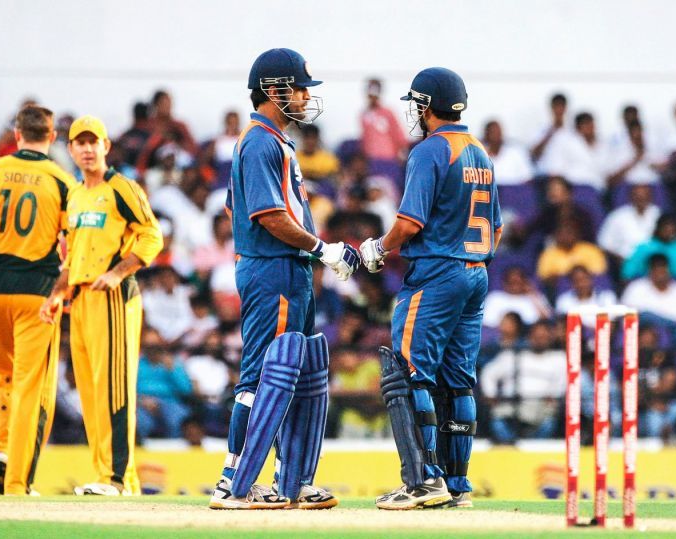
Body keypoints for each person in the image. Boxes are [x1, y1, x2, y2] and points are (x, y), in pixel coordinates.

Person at [209, 48, 359, 511]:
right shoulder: (259, 141)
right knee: (262, 375)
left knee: (293, 374)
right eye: (298, 88)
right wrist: (319, 247)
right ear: (274, 90)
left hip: (285, 268)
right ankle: (233, 479)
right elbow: (266, 213)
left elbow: (236, 207)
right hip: (273, 268)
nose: (304, 97)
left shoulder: (274, 140)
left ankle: (288, 481)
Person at [360, 67, 501, 510]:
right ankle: (457, 485)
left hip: (437, 273)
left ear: (426, 105)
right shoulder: (480, 152)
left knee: (409, 371)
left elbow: (409, 223)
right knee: (458, 381)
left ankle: (424, 481)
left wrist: (378, 251)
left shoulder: (429, 151)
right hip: (476, 272)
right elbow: (495, 228)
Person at [0, 105, 76, 495]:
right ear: (51, 136)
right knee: (29, 384)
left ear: (16, 134)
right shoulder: (61, 180)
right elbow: (72, 243)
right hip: (36, 289)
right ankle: (18, 478)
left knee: (0, 374)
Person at [40, 115, 163, 496]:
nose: (88, 149)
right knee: (91, 389)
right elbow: (72, 255)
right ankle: (103, 473)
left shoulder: (122, 188)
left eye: (95, 142)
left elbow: (151, 236)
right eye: (81, 142)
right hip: (81, 301)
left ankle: (119, 478)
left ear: (106, 147)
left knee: (114, 388)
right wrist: (58, 293)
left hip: (114, 299)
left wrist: (119, 272)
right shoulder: (75, 195)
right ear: (71, 148)